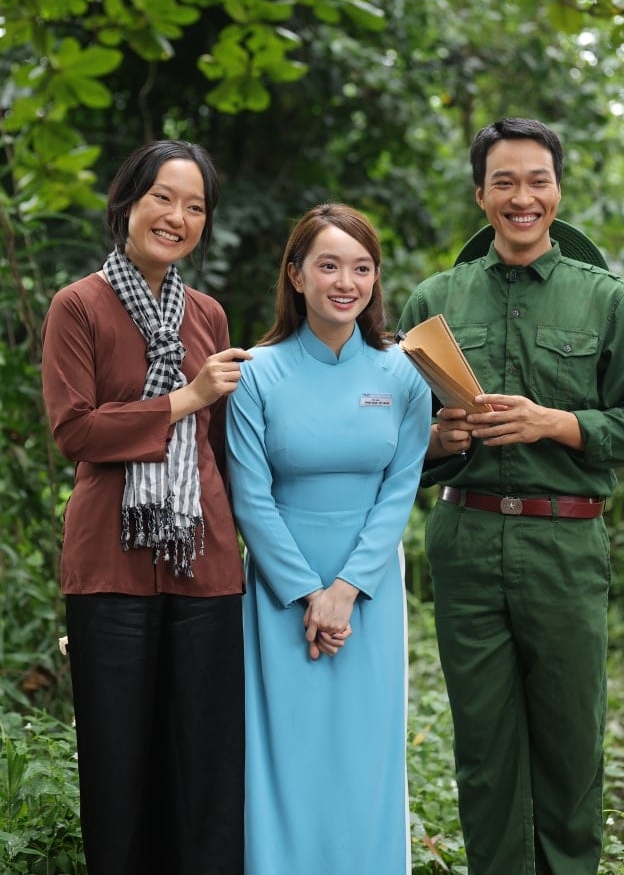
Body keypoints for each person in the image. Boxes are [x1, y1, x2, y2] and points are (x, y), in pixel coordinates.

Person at [398, 117, 624, 875]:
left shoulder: (607, 301)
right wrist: (440, 443)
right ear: (480, 193)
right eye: (506, 182)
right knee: (482, 746)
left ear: (558, 189)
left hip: (566, 544)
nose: (524, 197)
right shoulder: (433, 300)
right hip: (467, 543)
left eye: (538, 181)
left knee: (569, 741)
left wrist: (559, 423)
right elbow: (391, 439)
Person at [41, 139, 250, 875]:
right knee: (117, 769)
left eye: (195, 207)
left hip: (207, 563)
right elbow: (75, 431)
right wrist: (181, 400)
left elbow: (221, 445)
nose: (178, 216)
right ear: (128, 200)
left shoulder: (208, 316)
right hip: (109, 564)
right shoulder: (79, 306)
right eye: (164, 197)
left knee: (204, 773)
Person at [225, 203, 431, 875]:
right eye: (329, 265)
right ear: (296, 275)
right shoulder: (256, 372)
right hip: (279, 592)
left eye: (361, 267)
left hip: (369, 588)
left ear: (375, 279)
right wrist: (308, 591)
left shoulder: (403, 372)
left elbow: (400, 489)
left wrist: (345, 589)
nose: (346, 281)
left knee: (366, 753)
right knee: (284, 750)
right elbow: (250, 497)